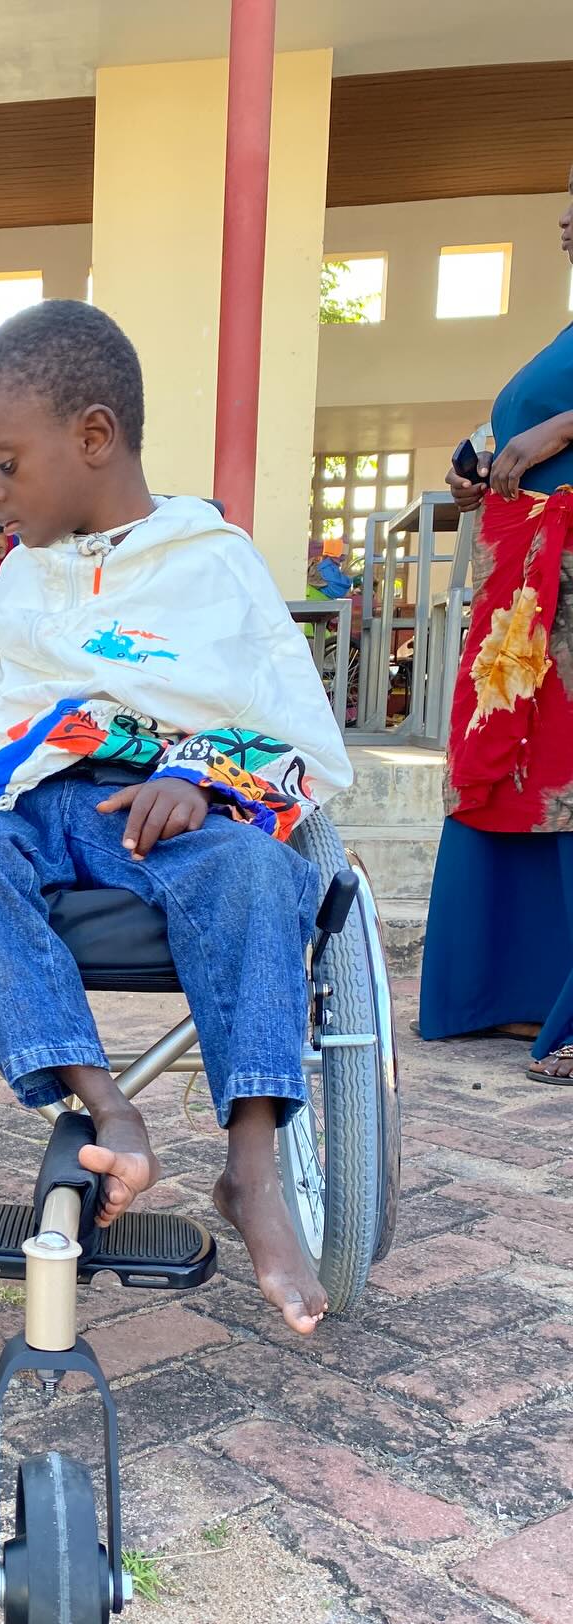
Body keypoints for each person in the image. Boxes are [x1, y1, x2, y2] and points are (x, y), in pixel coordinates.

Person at [0, 301, 352, 1335]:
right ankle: (104, 1102)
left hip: (170, 815)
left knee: (265, 875)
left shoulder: (209, 559)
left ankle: (253, 1166)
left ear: (93, 437)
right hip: (35, 808)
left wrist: (205, 776)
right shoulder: (26, 580)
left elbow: (279, 717)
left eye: (1, 463)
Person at [419, 167, 573, 1087]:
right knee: (513, 769)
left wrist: (556, 432)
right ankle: (513, 988)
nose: (564, 218)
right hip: (528, 581)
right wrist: (483, 460)